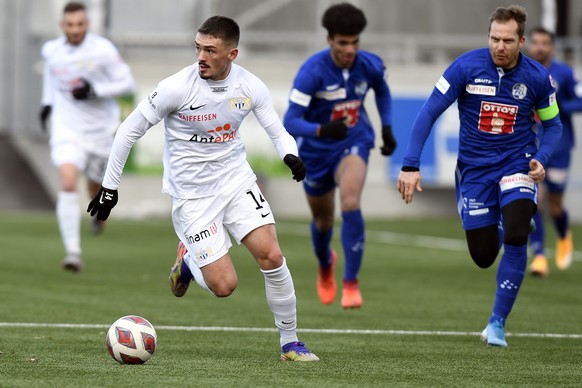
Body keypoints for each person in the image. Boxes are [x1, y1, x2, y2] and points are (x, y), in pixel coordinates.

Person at [87, 16, 319, 362]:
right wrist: (110, 188)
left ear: (232, 54)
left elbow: (277, 129)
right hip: (192, 197)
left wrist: (291, 155)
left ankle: (290, 343)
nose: (201, 57)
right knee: (225, 286)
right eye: (198, 48)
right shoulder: (176, 87)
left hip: (236, 181)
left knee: (271, 255)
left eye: (210, 50)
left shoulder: (250, 87)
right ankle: (188, 263)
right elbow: (128, 130)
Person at [397, 5, 562, 347]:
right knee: (484, 256)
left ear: (521, 41)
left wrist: (541, 158)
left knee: (517, 235)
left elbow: (553, 125)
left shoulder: (536, 78)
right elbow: (428, 112)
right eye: (494, 39)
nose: (499, 46)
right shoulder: (465, 67)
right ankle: (508, 220)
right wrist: (411, 164)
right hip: (474, 171)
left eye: (507, 40)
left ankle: (497, 323)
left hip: (519, 163)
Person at [283, 3, 396, 309]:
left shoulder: (369, 64)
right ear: (329, 40)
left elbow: (382, 90)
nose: (350, 49)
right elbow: (290, 121)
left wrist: (386, 127)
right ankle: (325, 263)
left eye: (355, 42)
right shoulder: (311, 72)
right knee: (322, 220)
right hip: (317, 152)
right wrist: (321, 130)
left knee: (350, 202)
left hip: (354, 141)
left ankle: (351, 282)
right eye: (343, 42)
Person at [39, 1, 135, 272]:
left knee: (95, 186)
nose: (75, 29)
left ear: (87, 24)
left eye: (80, 24)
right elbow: (51, 75)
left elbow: (126, 83)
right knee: (68, 181)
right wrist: (47, 104)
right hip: (67, 126)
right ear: (63, 26)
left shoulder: (103, 49)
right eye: (70, 25)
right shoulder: (52, 50)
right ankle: (73, 252)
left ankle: (98, 217)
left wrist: (95, 90)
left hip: (101, 130)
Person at [526, 26, 580, 277]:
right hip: (530, 147)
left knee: (555, 207)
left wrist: (558, 104)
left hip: (559, 147)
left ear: (552, 47)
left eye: (544, 43)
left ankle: (563, 234)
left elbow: (580, 101)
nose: (539, 47)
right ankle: (538, 257)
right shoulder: (522, 71)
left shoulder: (565, 73)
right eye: (535, 42)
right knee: (534, 200)